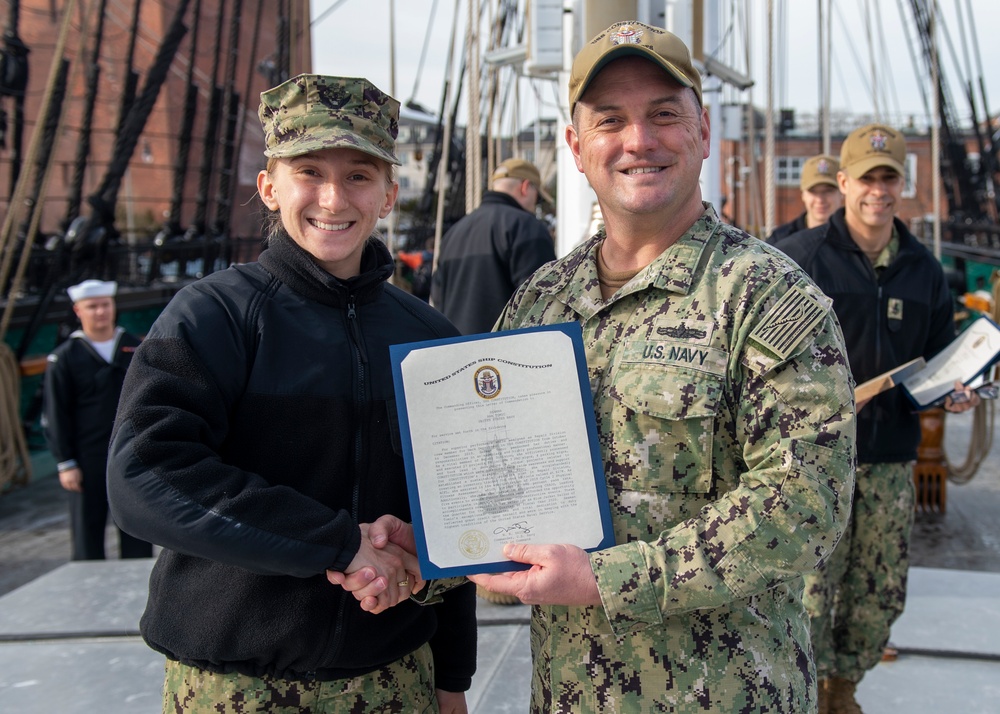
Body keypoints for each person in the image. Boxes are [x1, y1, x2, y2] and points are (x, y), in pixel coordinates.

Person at [338, 21, 857, 713]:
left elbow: (806, 504)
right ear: (577, 149)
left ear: (702, 134)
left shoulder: (767, 296)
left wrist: (608, 579)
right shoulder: (541, 300)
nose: (639, 140)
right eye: (611, 120)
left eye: (664, 115)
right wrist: (428, 554)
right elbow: (499, 486)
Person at [106, 74, 476, 713]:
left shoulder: (429, 340)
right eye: (309, 171)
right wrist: (339, 543)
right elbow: (144, 476)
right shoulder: (213, 317)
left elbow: (457, 517)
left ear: (388, 193)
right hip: (236, 689)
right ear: (269, 187)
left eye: (359, 175)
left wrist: (453, 681)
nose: (334, 198)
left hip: (394, 684)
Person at [774, 124, 979, 714]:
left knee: (877, 591)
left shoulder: (923, 269)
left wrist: (956, 392)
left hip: (890, 460)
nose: (879, 191)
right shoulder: (799, 261)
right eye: (868, 178)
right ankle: (805, 695)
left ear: (900, 184)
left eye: (889, 178)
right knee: (810, 588)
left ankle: (843, 693)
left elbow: (942, 358)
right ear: (843, 183)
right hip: (817, 461)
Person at [42, 279, 153, 561]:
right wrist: (65, 462)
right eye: (92, 307)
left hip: (130, 451)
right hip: (87, 454)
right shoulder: (65, 358)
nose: (100, 312)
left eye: (105, 305)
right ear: (78, 311)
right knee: (86, 528)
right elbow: (56, 413)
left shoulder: (135, 349)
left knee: (136, 524)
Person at [430, 157, 556, 334]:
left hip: (458, 353)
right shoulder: (527, 228)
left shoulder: (453, 233)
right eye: (538, 199)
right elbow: (542, 303)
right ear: (525, 187)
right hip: (505, 355)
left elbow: (438, 297)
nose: (535, 205)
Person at [767, 154, 842, 243]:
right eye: (813, 191)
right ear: (803, 194)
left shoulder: (857, 239)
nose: (820, 200)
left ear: (842, 192)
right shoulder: (781, 240)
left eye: (828, 191)